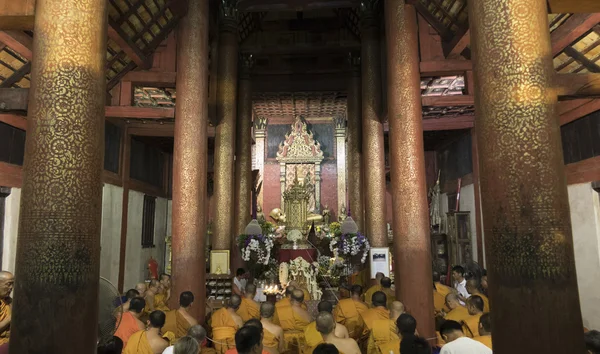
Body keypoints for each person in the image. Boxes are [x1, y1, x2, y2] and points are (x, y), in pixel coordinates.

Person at [0, 271, 14, 346]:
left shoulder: (9, 301)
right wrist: (10, 318)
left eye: (12, 284)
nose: (11, 287)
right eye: (8, 284)